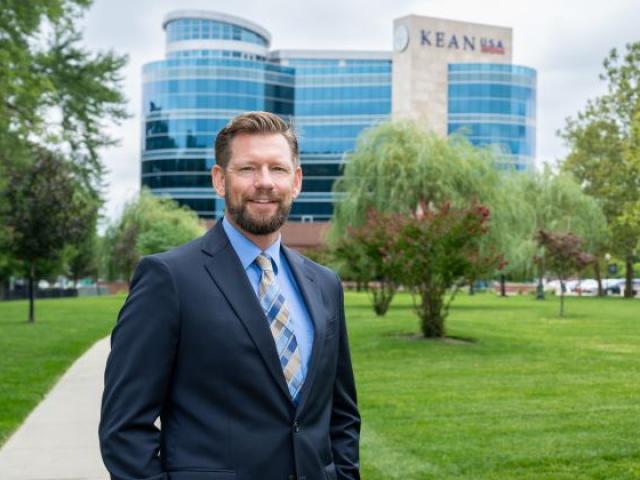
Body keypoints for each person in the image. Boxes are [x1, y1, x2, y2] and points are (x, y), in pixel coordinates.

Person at [99, 111, 360, 480]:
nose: (264, 182)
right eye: (248, 169)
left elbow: (342, 414)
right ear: (220, 180)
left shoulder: (325, 284)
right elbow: (123, 430)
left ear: (297, 181)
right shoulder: (168, 280)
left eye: (278, 169)